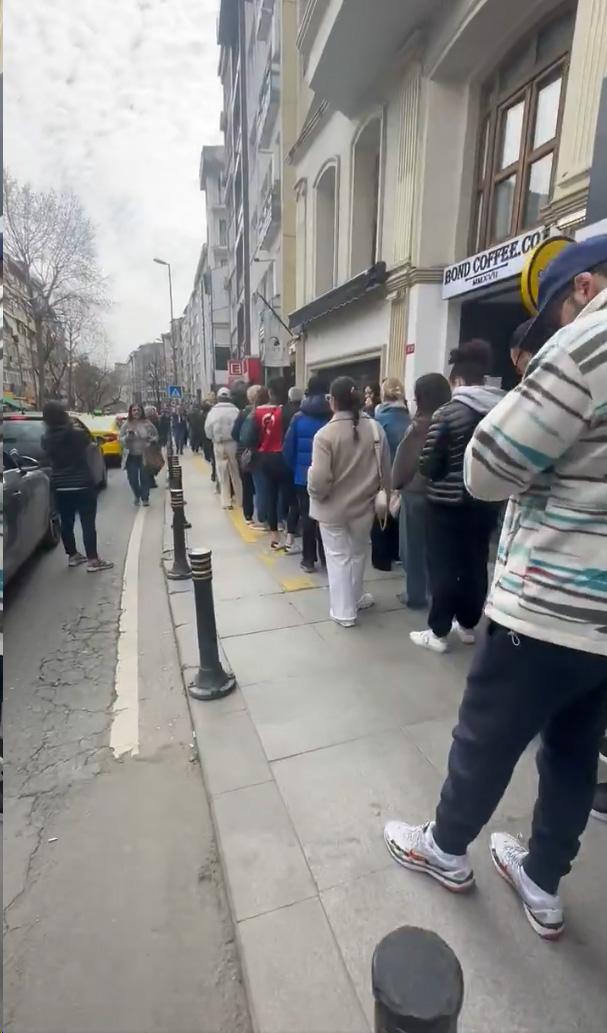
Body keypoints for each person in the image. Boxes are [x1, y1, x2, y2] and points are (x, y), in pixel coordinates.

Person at [384, 235, 607, 941]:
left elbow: (487, 466)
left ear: (582, 289)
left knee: (485, 736)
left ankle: (445, 849)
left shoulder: (587, 340)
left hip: (549, 600)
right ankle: (542, 881)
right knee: (574, 749)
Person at [412, 339, 504, 653]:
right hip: (485, 502)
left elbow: (428, 464)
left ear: (458, 381)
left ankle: (438, 631)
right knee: (476, 563)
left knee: (443, 566)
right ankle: (467, 624)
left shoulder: (447, 413)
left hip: (445, 504)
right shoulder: (502, 410)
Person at [308, 376, 391, 626]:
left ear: (332, 401)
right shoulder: (376, 428)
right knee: (357, 553)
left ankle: (344, 611)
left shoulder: (325, 435)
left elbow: (320, 482)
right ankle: (355, 597)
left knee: (337, 557)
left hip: (332, 510)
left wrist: (311, 480)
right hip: (365, 507)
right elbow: (385, 470)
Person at [392, 373, 451, 608]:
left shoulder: (418, 427)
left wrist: (396, 485)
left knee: (413, 548)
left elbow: (402, 466)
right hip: (446, 494)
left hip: (416, 495)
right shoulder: (454, 421)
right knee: (439, 549)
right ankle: (436, 593)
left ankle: (415, 595)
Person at [41, 401, 114, 572]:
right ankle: (93, 560)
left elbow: (48, 456)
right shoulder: (78, 435)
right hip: (82, 483)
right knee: (88, 522)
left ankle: (72, 555)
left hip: (60, 485)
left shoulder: (46, 438)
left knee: (66, 522)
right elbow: (89, 451)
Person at [283, 375, 331, 572]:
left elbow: (287, 449)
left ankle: (308, 560)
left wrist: (297, 470)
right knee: (327, 518)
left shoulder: (298, 417)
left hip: (303, 477)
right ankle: (327, 559)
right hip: (329, 475)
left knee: (307, 516)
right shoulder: (333, 415)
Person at [249, 378, 298, 550]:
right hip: (284, 458)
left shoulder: (258, 413)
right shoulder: (291, 412)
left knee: (270, 495)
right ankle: (289, 533)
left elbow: (250, 438)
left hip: (265, 458)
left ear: (270, 392)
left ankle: (274, 534)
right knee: (291, 498)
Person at [371, 377, 410, 571]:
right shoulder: (409, 418)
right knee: (397, 515)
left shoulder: (379, 419)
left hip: (384, 473)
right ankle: (397, 553)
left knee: (381, 516)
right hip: (404, 475)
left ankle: (381, 560)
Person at [204, 387, 243, 509]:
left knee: (222, 472)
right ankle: (240, 499)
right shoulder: (235, 411)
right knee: (236, 472)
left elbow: (207, 430)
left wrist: (213, 438)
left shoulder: (212, 412)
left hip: (219, 444)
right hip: (233, 444)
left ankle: (226, 502)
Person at [232, 384, 262, 523]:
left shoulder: (243, 413)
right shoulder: (269, 412)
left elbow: (234, 434)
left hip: (245, 454)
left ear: (249, 398)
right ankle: (265, 517)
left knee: (247, 485)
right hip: (262, 452)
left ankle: (248, 515)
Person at [119, 403, 159, 506]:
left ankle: (145, 498)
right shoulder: (126, 424)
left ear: (141, 412)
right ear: (131, 412)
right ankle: (137, 495)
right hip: (131, 456)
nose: (136, 412)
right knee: (133, 479)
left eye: (138, 410)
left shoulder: (148, 424)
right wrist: (127, 437)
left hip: (144, 455)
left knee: (145, 478)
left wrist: (152, 440)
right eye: (134, 410)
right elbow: (120, 440)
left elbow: (156, 436)